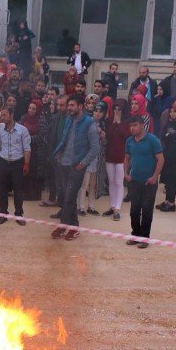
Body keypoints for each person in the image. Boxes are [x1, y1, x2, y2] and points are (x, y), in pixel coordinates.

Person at [51, 94, 99, 240]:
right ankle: (74, 227)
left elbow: (95, 148)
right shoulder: (68, 119)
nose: (69, 108)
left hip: (77, 166)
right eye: (68, 105)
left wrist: (83, 163)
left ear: (80, 106)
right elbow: (64, 138)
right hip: (63, 163)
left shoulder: (89, 123)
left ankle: (63, 226)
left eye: (72, 105)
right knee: (67, 196)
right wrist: (58, 154)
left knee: (69, 197)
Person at [123, 116, 164, 249]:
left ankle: (145, 238)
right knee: (134, 210)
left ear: (142, 125)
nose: (132, 128)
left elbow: (161, 160)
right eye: (131, 126)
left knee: (146, 210)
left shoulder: (153, 140)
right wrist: (126, 174)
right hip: (134, 181)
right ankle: (135, 235)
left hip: (149, 182)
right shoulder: (129, 141)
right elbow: (127, 158)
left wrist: (154, 177)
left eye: (135, 125)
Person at [0, 107, 30, 225]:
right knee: (2, 191)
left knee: (18, 191)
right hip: (3, 163)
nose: (2, 118)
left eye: (4, 115)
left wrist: (26, 164)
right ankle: (3, 214)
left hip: (17, 163)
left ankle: (19, 214)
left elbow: (27, 149)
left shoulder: (22, 130)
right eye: (1, 115)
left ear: (11, 115)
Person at [156, 103, 176, 213]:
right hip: (168, 155)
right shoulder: (168, 123)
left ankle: (171, 203)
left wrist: (172, 135)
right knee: (167, 179)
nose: (173, 114)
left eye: (175, 112)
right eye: (171, 112)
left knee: (173, 180)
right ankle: (167, 201)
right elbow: (163, 136)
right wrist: (169, 136)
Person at [103, 99, 129, 221]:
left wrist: (119, 123)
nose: (117, 111)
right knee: (111, 181)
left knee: (119, 182)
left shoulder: (127, 122)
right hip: (110, 155)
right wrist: (114, 123)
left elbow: (127, 136)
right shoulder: (109, 120)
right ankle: (113, 206)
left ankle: (118, 208)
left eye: (119, 109)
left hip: (121, 156)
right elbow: (107, 136)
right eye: (115, 109)